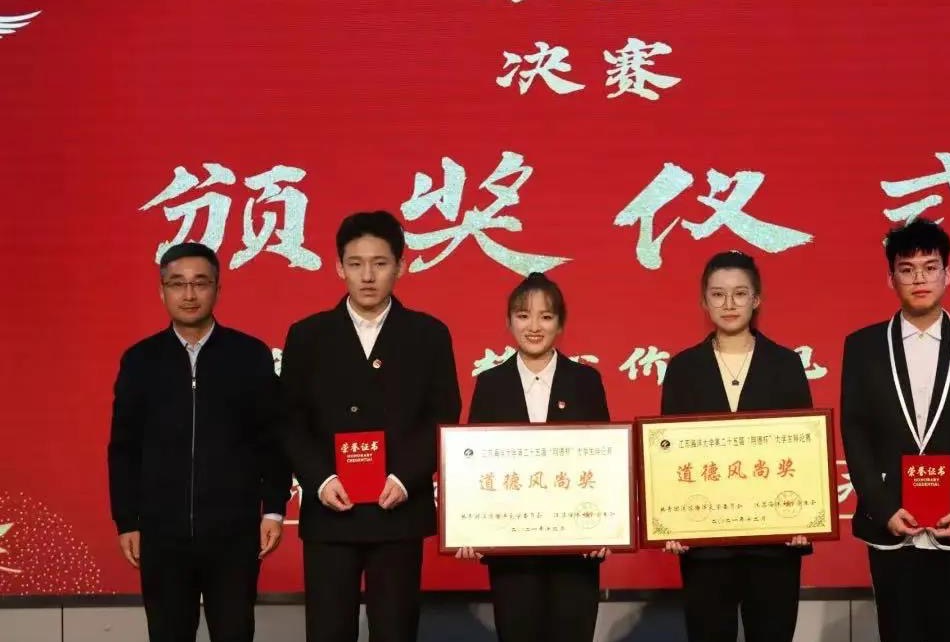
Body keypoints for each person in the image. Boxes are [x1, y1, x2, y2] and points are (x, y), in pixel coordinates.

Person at [279, 210, 462, 642]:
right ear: (338, 267)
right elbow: (288, 419)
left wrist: (405, 477)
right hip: (331, 511)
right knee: (328, 631)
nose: (367, 276)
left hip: (397, 509)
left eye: (380, 263)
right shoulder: (308, 335)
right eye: (356, 263)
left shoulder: (428, 334)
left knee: (396, 630)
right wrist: (321, 480)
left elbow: (443, 414)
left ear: (401, 266)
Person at [107, 242, 292, 642]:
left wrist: (274, 510)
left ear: (217, 289)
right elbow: (124, 447)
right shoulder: (140, 360)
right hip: (162, 535)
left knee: (235, 632)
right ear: (162, 291)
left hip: (234, 533)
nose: (189, 294)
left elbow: (274, 440)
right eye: (177, 284)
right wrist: (127, 520)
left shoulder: (250, 355)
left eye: (200, 283)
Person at [839, 217, 950, 642]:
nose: (919, 279)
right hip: (891, 521)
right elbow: (855, 432)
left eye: (930, 268)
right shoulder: (862, 346)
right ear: (891, 278)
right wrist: (882, 507)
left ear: (947, 274)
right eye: (907, 269)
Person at [660, 250, 812, 642]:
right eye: (718, 294)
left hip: (774, 543)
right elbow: (669, 455)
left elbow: (804, 449)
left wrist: (808, 518)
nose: (729, 304)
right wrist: (670, 521)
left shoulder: (785, 364)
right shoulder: (683, 368)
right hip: (706, 545)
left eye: (740, 293)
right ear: (704, 301)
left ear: (756, 299)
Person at [455, 272, 610, 642]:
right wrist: (465, 527)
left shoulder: (585, 381)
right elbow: (473, 464)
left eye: (546, 316)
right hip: (513, 555)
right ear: (509, 322)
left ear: (560, 323)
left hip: (576, 550)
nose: (534, 326)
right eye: (524, 316)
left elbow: (605, 461)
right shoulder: (491, 384)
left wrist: (608, 527)